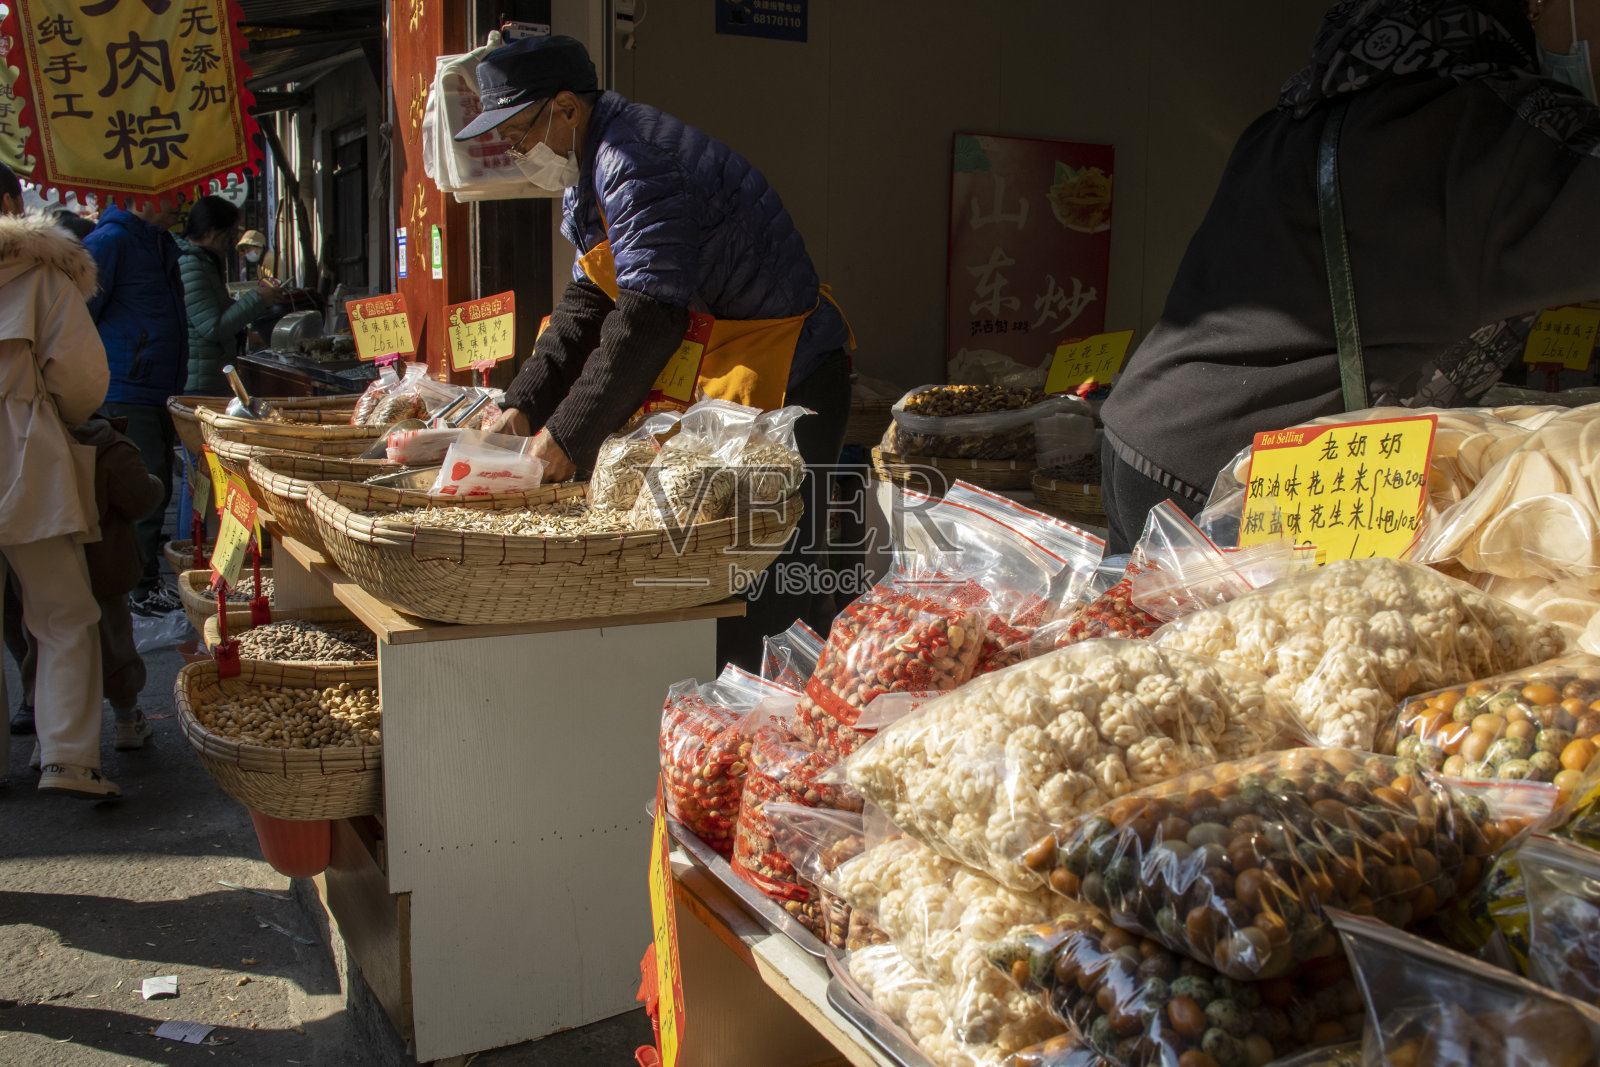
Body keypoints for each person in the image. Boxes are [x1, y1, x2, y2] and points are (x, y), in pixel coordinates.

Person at [1097, 0, 1600, 554]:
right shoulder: (1480, 133)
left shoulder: (1296, 117)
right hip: (1244, 481)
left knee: (1144, 632)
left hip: (1143, 434)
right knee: (1262, 641)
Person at [453, 35, 853, 670]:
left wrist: (567, 435)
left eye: (518, 128)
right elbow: (589, 303)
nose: (513, 147)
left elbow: (648, 317)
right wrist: (523, 407)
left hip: (794, 376)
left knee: (773, 567)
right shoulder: (590, 168)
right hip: (731, 367)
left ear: (564, 108)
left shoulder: (635, 161)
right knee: (716, 562)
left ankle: (781, 716)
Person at [0, 161, 121, 798]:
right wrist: (57, 419)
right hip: (24, 454)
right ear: (12, 201)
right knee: (62, 614)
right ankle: (68, 759)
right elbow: (81, 380)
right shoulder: (42, 276)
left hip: (26, 442)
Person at [3, 413, 165, 750]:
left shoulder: (21, 436)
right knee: (114, 645)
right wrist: (156, 485)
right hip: (105, 569)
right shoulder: (110, 445)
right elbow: (139, 499)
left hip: (41, 565)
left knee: (44, 644)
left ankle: (46, 735)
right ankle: (125, 720)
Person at [84, 195, 189, 615]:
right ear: (145, 194)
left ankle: (139, 587)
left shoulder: (160, 241)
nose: (184, 201)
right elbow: (80, 313)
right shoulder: (110, 241)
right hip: (127, 386)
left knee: (157, 486)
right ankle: (138, 591)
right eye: (176, 193)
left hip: (158, 386)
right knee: (142, 490)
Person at [178, 197, 278, 395]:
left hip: (209, 377)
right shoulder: (193, 266)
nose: (231, 242)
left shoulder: (203, 262)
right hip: (202, 384)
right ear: (209, 232)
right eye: (229, 234)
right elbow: (213, 327)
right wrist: (256, 299)